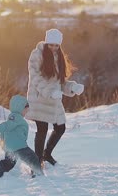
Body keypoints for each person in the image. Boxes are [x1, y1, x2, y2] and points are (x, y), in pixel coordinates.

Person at [26, 29, 84, 167]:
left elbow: (60, 82)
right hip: (40, 98)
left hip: (54, 101)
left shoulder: (59, 58)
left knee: (61, 128)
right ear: (46, 43)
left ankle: (47, 154)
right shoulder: (37, 55)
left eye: (56, 45)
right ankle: (37, 162)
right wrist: (49, 92)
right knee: (42, 130)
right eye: (51, 45)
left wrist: (72, 87)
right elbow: (35, 78)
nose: (53, 48)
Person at [0, 95, 42, 178]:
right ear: (19, 108)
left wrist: (2, 142)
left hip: (11, 148)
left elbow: (6, 130)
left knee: (9, 163)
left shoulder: (13, 118)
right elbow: (6, 126)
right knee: (33, 158)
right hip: (19, 147)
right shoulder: (15, 117)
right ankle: (38, 174)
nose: (26, 113)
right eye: (25, 111)